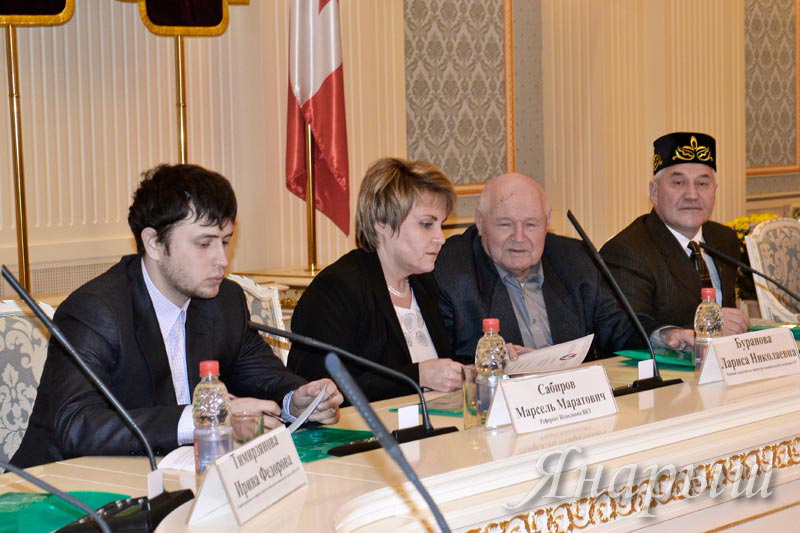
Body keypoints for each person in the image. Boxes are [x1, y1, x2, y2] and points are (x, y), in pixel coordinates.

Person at [12, 164, 343, 468]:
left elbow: (265, 377)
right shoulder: (96, 310)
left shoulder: (223, 302)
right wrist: (204, 418)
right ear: (154, 243)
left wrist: (296, 402)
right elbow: (77, 426)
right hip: (65, 489)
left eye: (226, 241)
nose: (222, 259)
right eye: (204, 244)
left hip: (171, 480)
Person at [434, 172, 688, 361]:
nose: (519, 237)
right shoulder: (451, 269)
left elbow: (618, 326)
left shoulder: (574, 258)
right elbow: (442, 365)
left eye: (531, 225)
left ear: (547, 222)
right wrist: (490, 363)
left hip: (572, 403)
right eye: (505, 224)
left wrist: (665, 336)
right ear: (480, 222)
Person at [287, 157, 464, 401]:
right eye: (426, 224)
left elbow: (444, 366)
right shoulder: (337, 289)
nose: (440, 238)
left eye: (441, 225)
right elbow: (321, 388)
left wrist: (480, 365)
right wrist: (418, 376)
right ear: (382, 222)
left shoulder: (423, 283)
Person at [600, 132, 749, 341]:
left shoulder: (724, 239)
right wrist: (690, 332)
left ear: (715, 190)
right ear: (654, 192)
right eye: (679, 183)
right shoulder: (628, 251)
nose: (692, 195)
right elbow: (625, 330)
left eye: (702, 184)